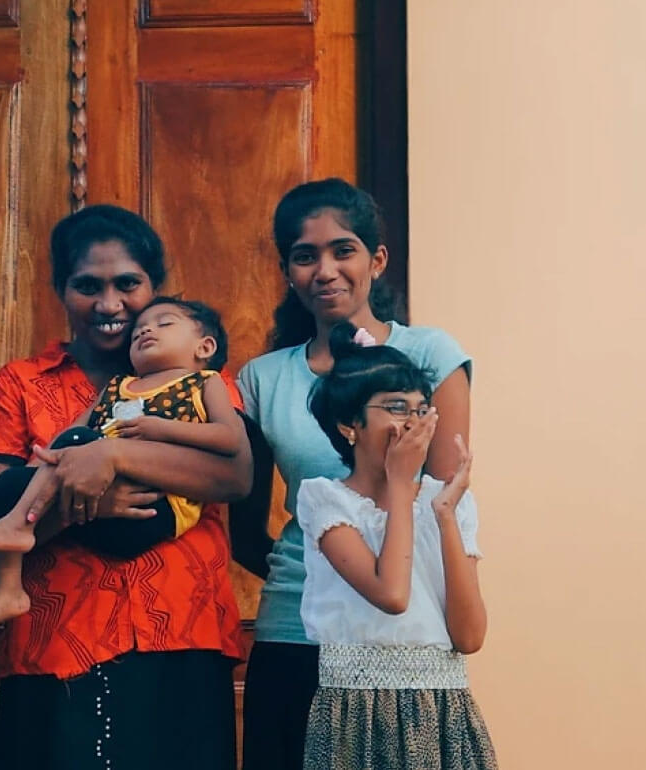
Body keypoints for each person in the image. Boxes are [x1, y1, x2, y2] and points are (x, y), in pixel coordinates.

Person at [0, 205, 250, 770]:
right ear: (60, 290)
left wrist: (113, 452)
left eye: (128, 284)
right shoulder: (20, 386)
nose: (110, 304)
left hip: (183, 635)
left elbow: (233, 476)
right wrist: (92, 506)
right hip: (58, 644)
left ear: (154, 289)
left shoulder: (201, 382)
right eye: (87, 286)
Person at [234, 179, 473, 769]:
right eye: (305, 255)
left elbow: (441, 494)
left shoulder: (431, 355)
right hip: (297, 629)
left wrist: (390, 590)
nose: (325, 269)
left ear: (376, 259)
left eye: (343, 250)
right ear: (288, 270)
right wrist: (327, 571)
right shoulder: (263, 378)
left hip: (404, 639)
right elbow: (244, 522)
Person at [0, 297, 246, 633]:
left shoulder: (204, 383)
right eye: (139, 330)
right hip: (94, 492)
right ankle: (9, 589)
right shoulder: (118, 387)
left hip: (154, 507)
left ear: (204, 346)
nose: (147, 330)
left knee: (75, 447)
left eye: (164, 323)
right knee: (10, 484)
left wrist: (160, 428)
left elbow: (229, 439)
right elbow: (68, 435)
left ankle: (21, 526)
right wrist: (33, 474)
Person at [295, 325, 495, 768]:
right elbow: (392, 594)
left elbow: (470, 636)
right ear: (350, 424)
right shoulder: (325, 499)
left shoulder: (450, 504)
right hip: (356, 717)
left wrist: (444, 514)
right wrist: (402, 485)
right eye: (395, 407)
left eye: (422, 409)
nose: (412, 421)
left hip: (443, 712)